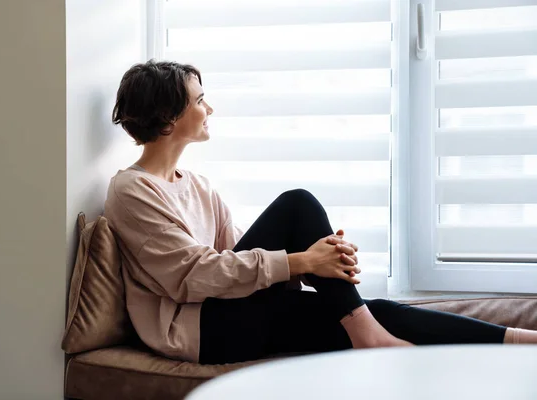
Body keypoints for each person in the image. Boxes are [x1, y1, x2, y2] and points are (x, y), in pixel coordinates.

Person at [103, 59, 537, 365]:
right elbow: (192, 277)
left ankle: (525, 342)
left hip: (230, 313)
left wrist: (318, 261)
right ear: (167, 117)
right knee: (298, 203)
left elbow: (233, 259)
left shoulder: (197, 186)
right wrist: (305, 260)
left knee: (376, 312)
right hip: (199, 332)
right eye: (200, 100)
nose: (209, 108)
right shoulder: (132, 190)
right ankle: (366, 332)